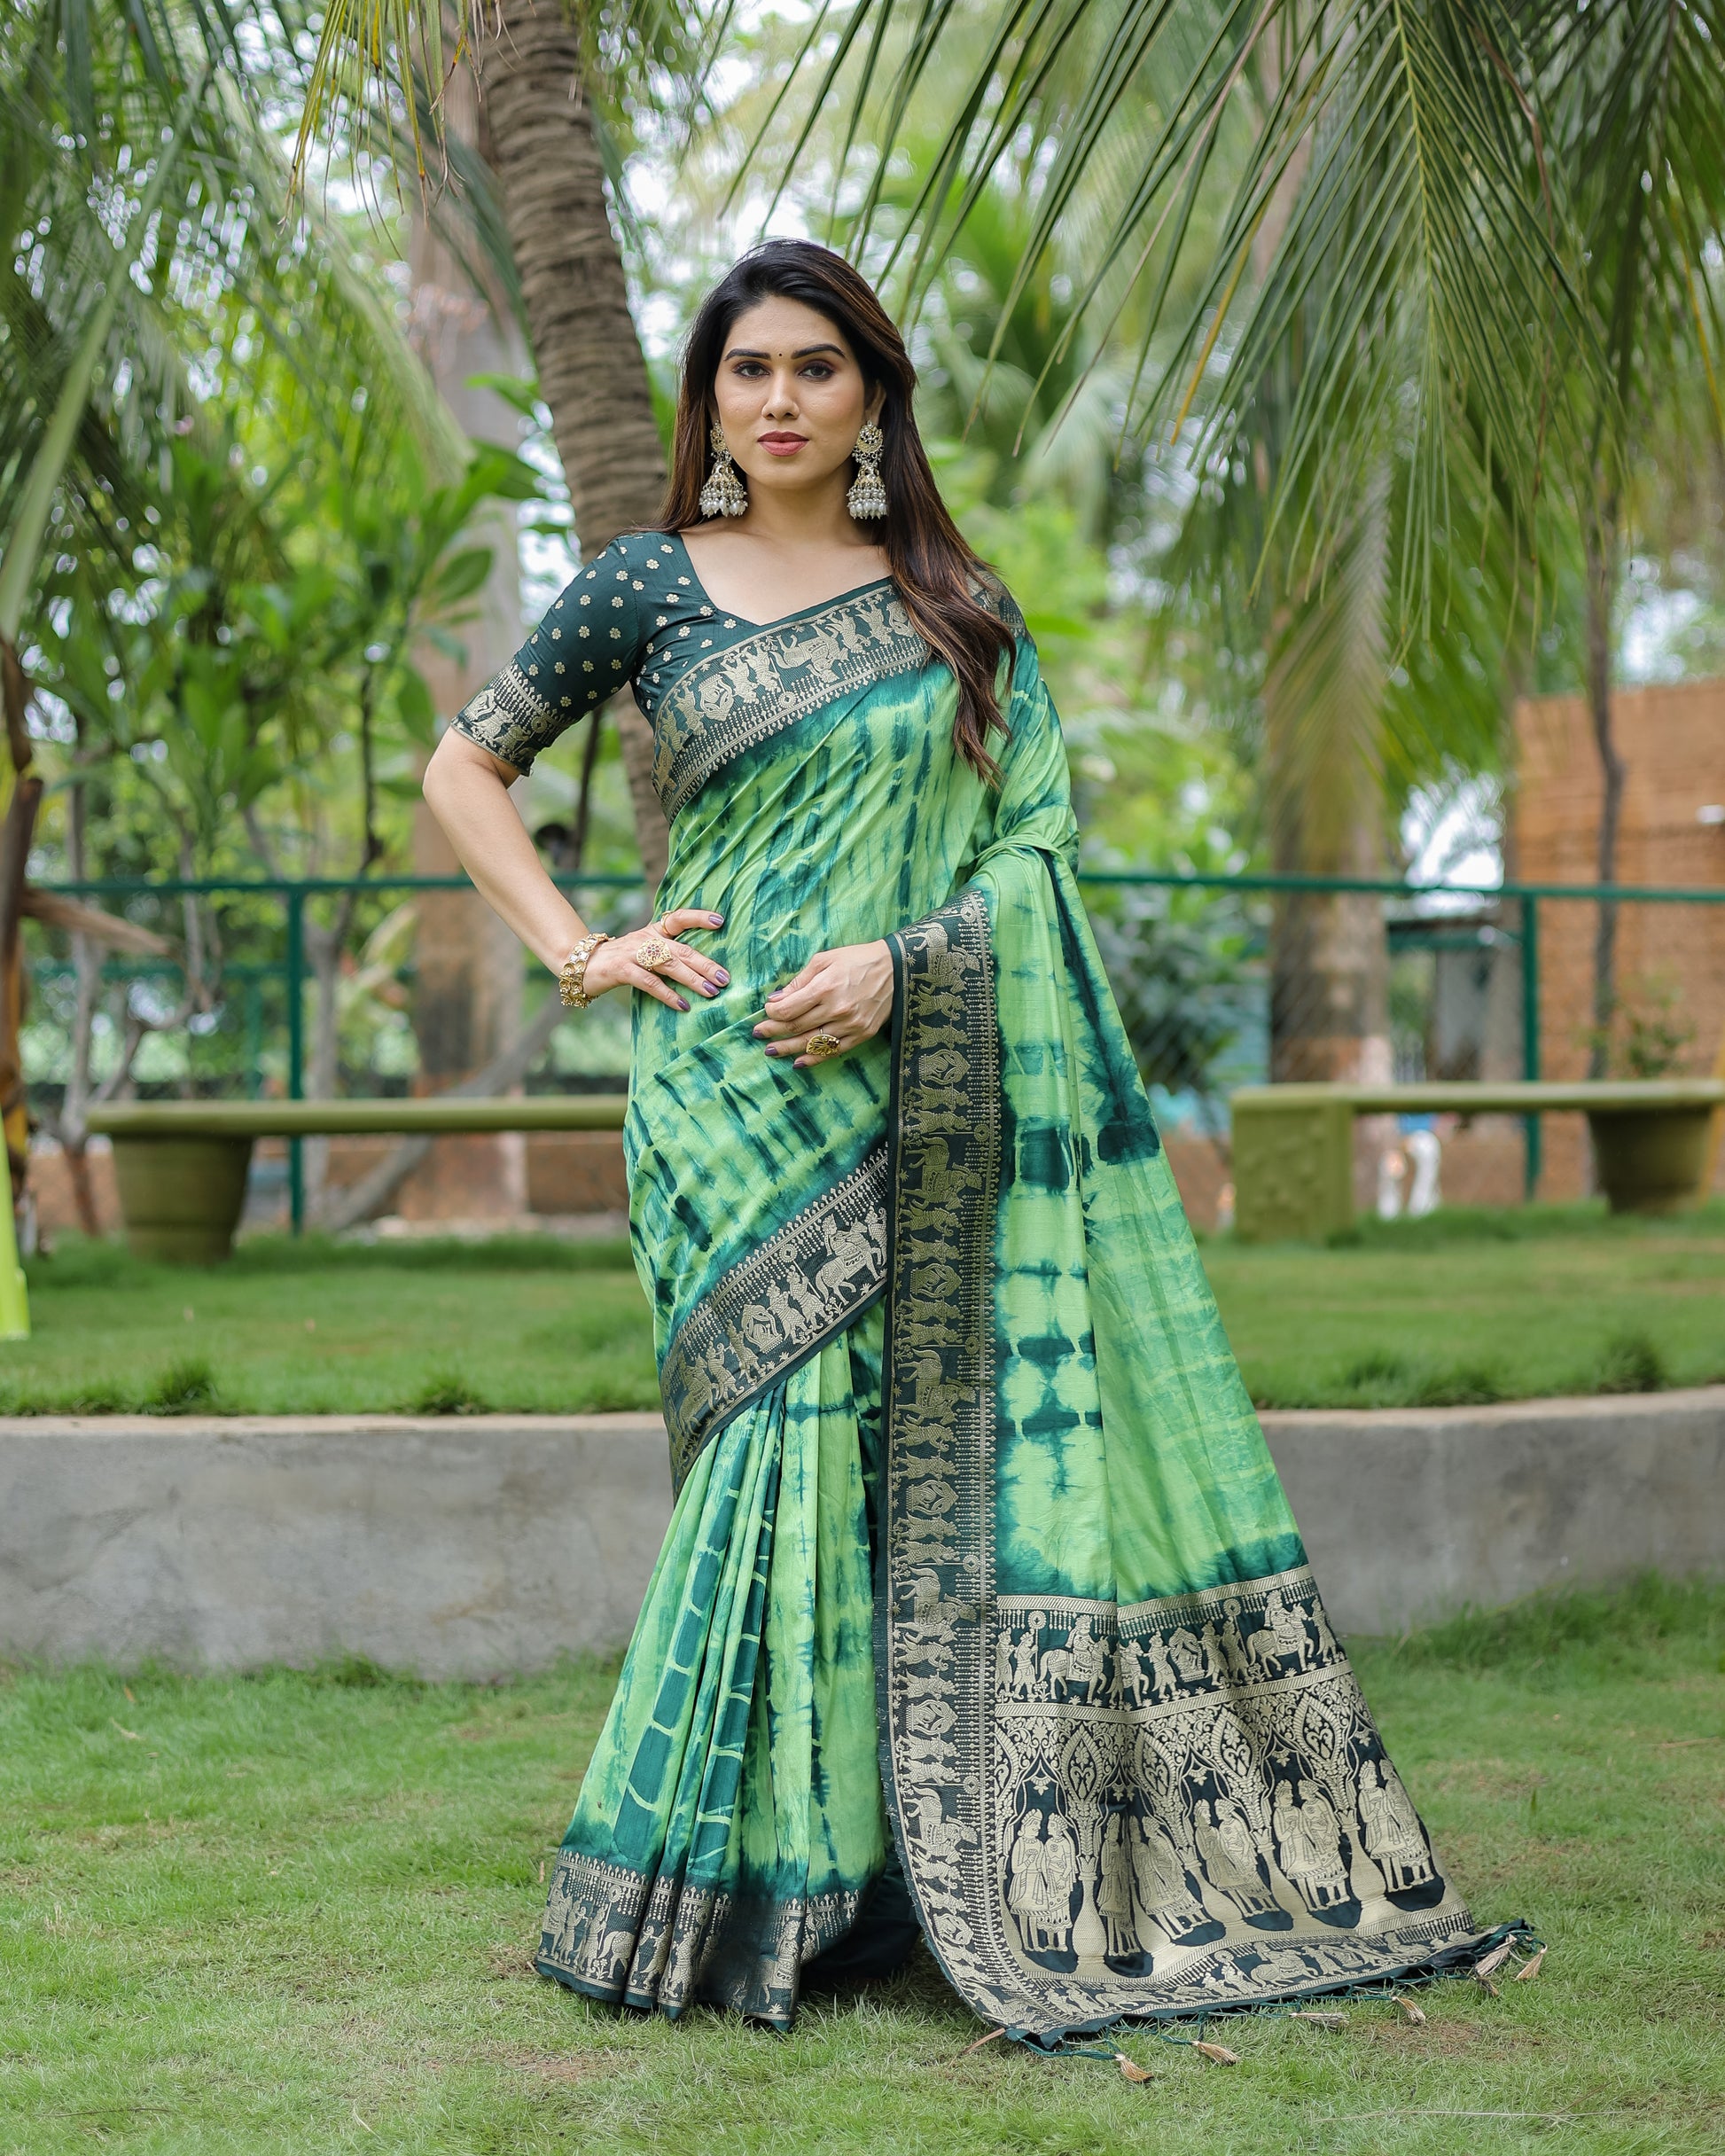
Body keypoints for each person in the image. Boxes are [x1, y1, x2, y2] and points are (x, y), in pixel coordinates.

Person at [423, 239, 1508, 2042]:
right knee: (772, 1450)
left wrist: (905, 964)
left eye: (817, 367)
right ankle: (752, 1884)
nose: (780, 398)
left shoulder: (951, 602)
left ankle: (866, 1879)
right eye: (749, 368)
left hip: (911, 1069)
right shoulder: (642, 584)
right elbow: (466, 765)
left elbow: (1034, 850)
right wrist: (579, 947)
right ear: (709, 399)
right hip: (722, 1089)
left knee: (895, 1463)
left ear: (872, 396)